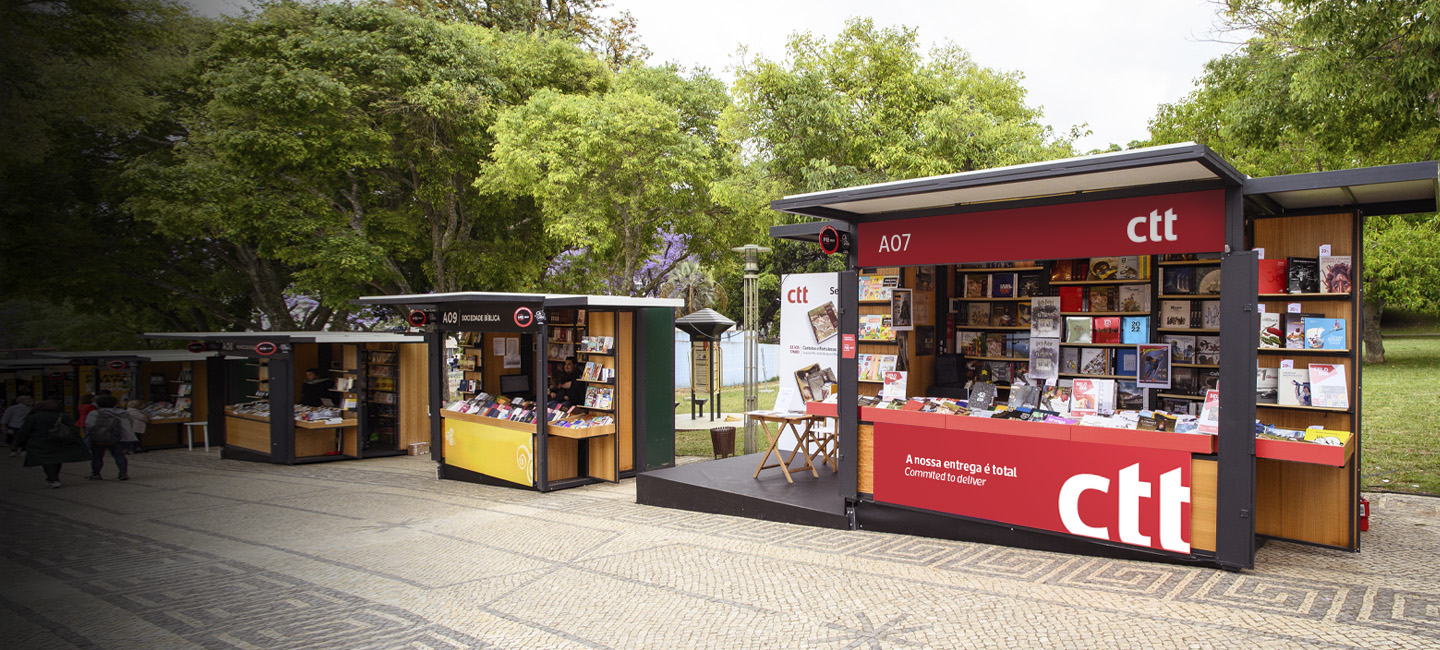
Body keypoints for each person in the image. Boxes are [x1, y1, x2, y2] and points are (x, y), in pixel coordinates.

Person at [17, 399, 90, 488]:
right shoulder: (63, 416)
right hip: (60, 441)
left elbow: (24, 431)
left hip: (40, 442)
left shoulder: (34, 417)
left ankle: (53, 479)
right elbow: (74, 430)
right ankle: (53, 478)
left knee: (47, 460)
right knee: (57, 460)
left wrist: (17, 443)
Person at [84, 395, 134, 480]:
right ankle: (123, 473)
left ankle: (96, 474)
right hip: (117, 438)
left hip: (98, 438)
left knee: (97, 456)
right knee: (119, 456)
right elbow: (129, 424)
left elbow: (89, 425)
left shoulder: (94, 413)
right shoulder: (123, 413)